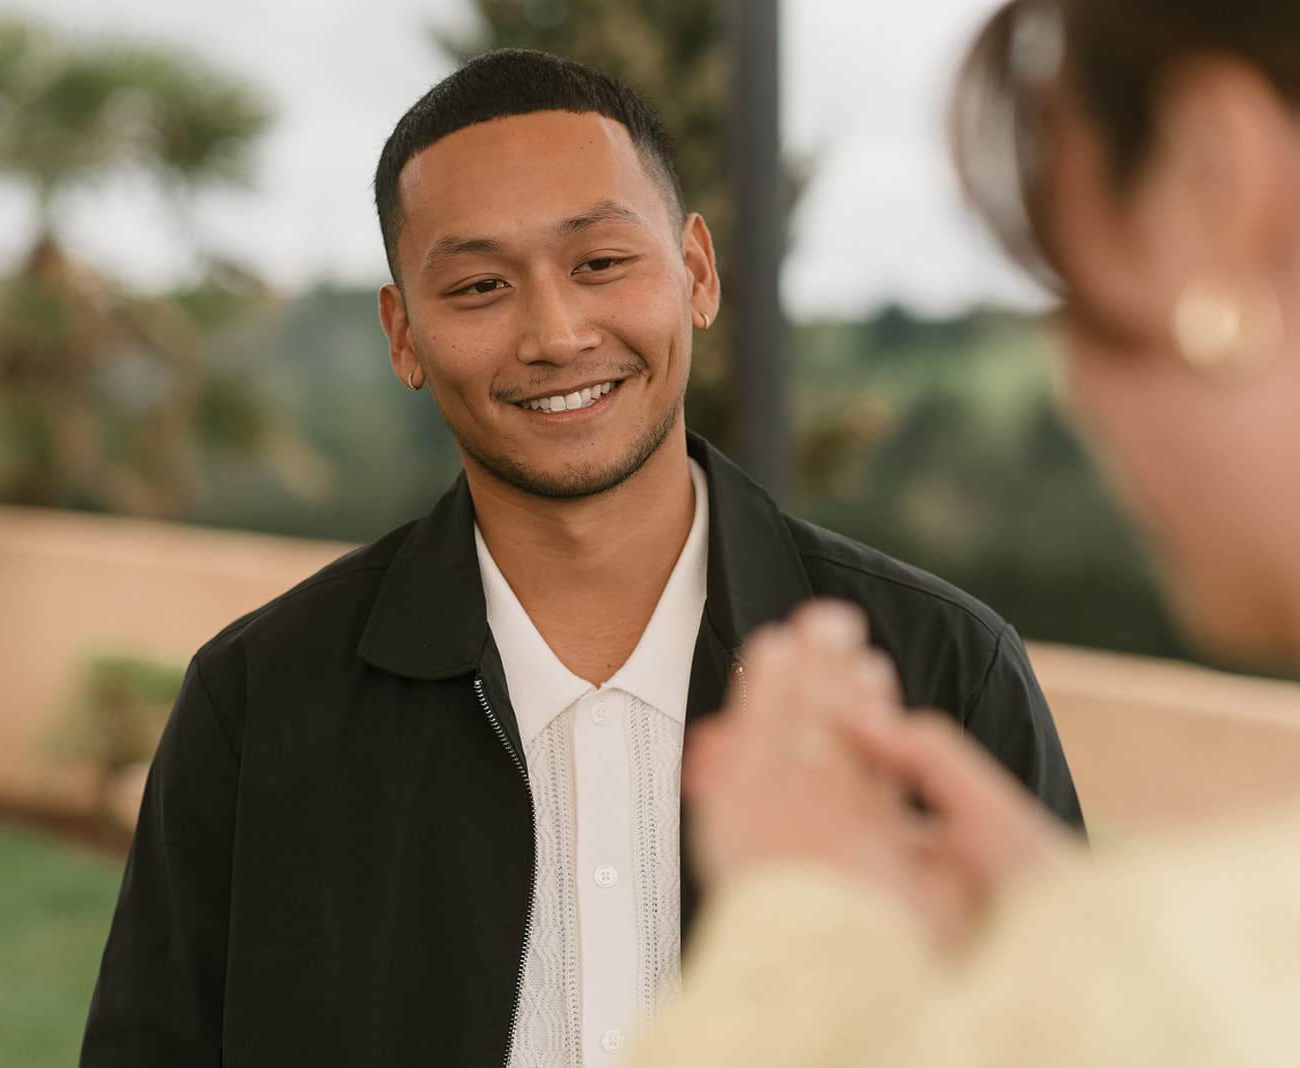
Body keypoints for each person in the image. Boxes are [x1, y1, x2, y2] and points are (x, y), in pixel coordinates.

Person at [79, 48, 1082, 1067]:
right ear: (404, 335)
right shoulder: (257, 705)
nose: (554, 335)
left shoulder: (942, 674)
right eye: (477, 286)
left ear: (694, 272)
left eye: (600, 263)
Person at [635, 1, 1300, 1065]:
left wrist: (803, 930)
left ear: (1212, 180)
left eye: (1070, 286)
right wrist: (1075, 935)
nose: (1082, 396)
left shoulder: (1167, 980)